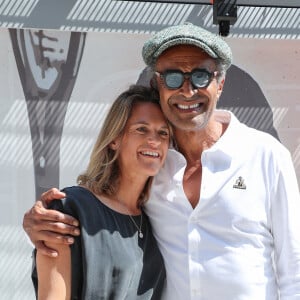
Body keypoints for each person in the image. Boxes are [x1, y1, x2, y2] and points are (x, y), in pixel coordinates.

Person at [23, 23, 300, 299]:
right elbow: (102, 210)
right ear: (157, 84)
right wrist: (37, 224)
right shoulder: (151, 164)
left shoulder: (266, 156)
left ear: (220, 84)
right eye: (173, 77)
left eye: (202, 76)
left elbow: (294, 268)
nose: (188, 90)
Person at [31, 84, 169, 299]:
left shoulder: (158, 218)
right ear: (114, 139)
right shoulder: (70, 208)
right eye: (141, 129)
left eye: (163, 133)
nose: (155, 140)